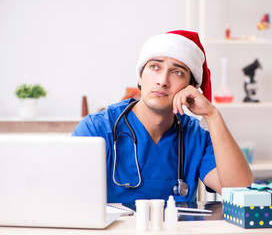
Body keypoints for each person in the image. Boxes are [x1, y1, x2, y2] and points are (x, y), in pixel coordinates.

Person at [72, 30, 253, 203]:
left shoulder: (198, 137)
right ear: (140, 77)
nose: (163, 81)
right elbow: (67, 192)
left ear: (191, 87)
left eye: (177, 72)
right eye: (155, 67)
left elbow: (240, 192)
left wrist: (212, 115)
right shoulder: (96, 129)